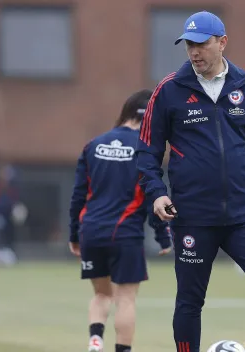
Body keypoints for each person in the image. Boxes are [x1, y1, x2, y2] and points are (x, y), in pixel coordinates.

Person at [136, 11, 245, 352]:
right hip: (193, 217)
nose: (195, 52)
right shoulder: (168, 90)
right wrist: (156, 193)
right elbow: (147, 152)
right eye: (189, 45)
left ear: (222, 42)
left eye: (202, 44)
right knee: (190, 300)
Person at [69, 89, 173, 352]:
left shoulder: (93, 145)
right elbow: (153, 197)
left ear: (125, 111)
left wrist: (74, 235)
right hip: (125, 235)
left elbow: (78, 196)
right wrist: (162, 236)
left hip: (91, 232)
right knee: (126, 298)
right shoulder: (145, 150)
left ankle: (95, 340)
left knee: (102, 294)